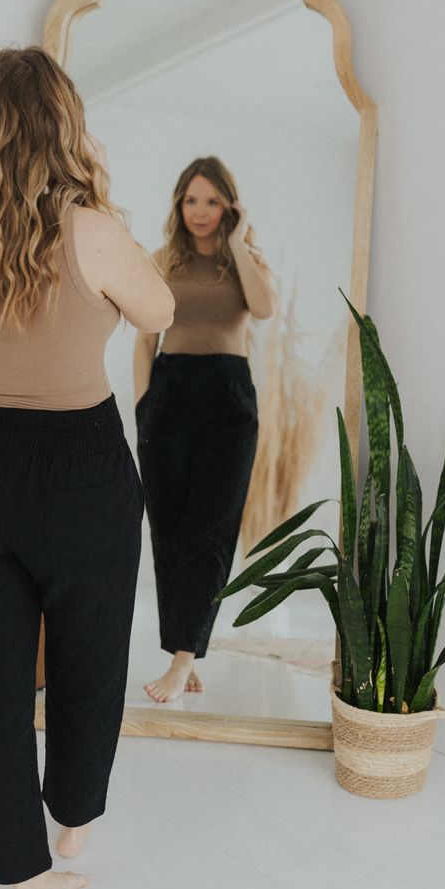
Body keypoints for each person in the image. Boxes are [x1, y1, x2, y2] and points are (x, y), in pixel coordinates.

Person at [0, 47, 173, 889]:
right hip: (83, 470)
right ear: (66, 124)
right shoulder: (92, 229)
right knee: (90, 663)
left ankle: (23, 885)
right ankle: (72, 825)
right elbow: (161, 314)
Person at [134, 156, 275, 704]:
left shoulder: (247, 263)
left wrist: (237, 244)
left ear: (229, 206)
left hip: (227, 398)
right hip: (168, 393)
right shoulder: (159, 259)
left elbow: (263, 310)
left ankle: (183, 657)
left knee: (212, 530)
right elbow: (146, 339)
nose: (200, 211)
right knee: (169, 530)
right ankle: (184, 653)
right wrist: (145, 404)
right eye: (191, 200)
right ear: (178, 204)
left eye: (212, 200)